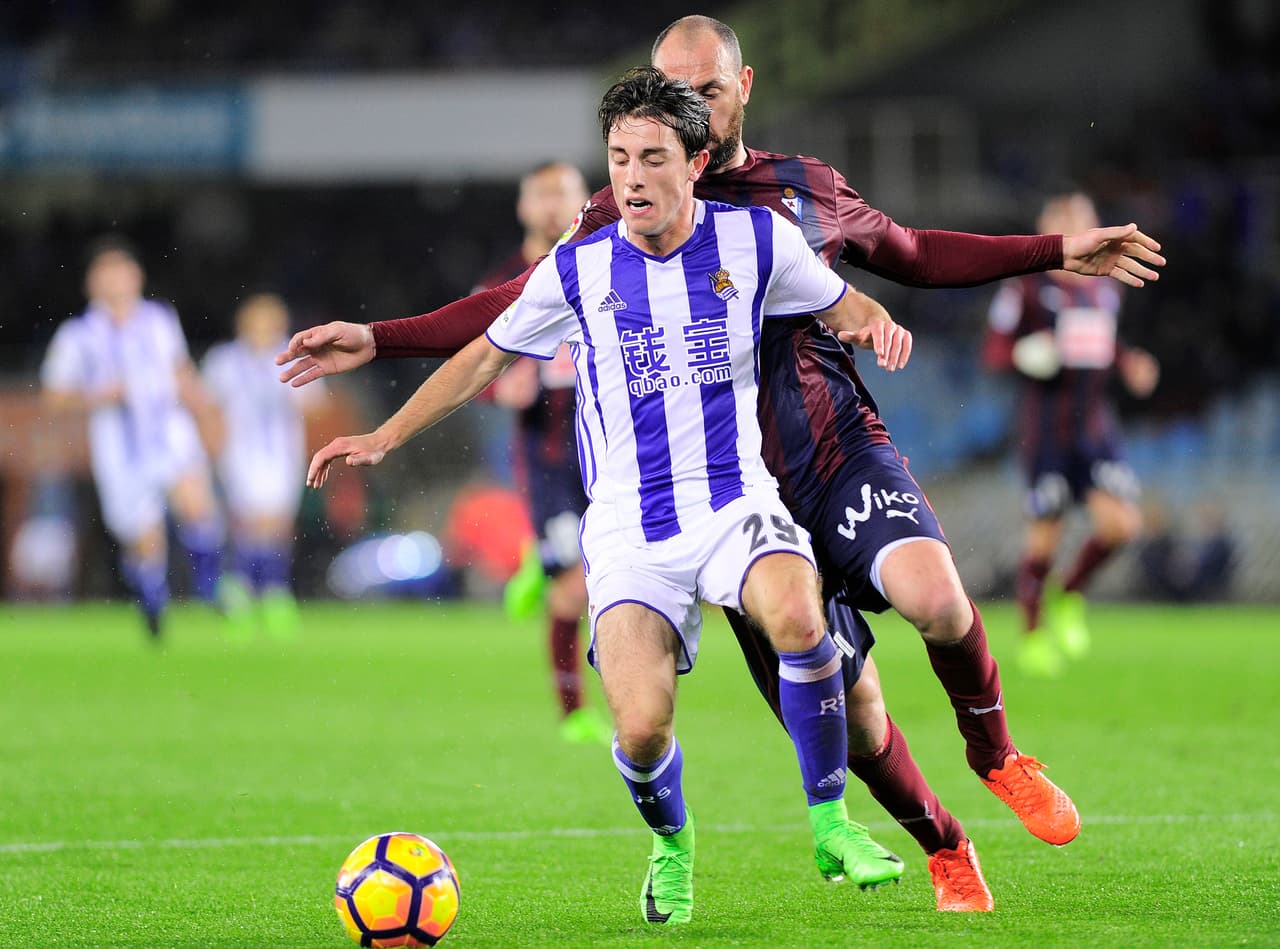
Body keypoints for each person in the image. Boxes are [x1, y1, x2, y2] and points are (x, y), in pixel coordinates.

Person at [277, 16, 1164, 908]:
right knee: (850, 716)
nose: (683, 105)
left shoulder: (795, 200)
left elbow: (913, 255)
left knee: (935, 595)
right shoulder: (611, 217)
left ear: (742, 90)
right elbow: (506, 314)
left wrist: (1043, 254)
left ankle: (996, 752)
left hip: (823, 457)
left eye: (702, 89)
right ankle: (942, 842)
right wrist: (383, 341)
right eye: (666, 90)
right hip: (703, 492)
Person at [306, 67, 913, 925]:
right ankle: (672, 843)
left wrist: (876, 322)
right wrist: (383, 435)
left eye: (652, 157)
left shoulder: (758, 242)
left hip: (735, 497)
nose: (631, 176)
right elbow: (483, 354)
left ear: (697, 162)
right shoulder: (577, 267)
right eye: (619, 157)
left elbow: (844, 302)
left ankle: (830, 821)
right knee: (638, 728)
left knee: (800, 617)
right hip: (629, 528)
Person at [985, 189, 1160, 677]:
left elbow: (1103, 342)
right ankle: (1034, 634)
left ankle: (1070, 592)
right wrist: (1025, 353)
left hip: (1096, 427)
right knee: (1045, 538)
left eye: (1086, 218)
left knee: (1122, 526)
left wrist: (1130, 362)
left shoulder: (1106, 285)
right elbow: (994, 351)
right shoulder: (1023, 287)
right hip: (1046, 432)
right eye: (1068, 221)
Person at [476, 161, 612, 745]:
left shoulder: (611, 258)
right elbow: (473, 367)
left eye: (566, 193)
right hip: (550, 455)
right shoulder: (502, 282)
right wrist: (500, 387)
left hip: (617, 447)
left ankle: (543, 556)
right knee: (574, 588)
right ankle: (573, 712)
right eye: (543, 195)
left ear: (585, 200)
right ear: (524, 208)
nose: (555, 205)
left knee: (620, 579)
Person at [40, 235, 229, 638]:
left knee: (197, 505)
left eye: (122, 270)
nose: (116, 280)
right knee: (144, 540)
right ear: (91, 283)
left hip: (168, 431)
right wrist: (99, 394)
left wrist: (206, 413)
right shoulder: (78, 335)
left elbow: (180, 372)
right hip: (119, 449)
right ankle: (153, 602)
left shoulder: (160, 319)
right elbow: (54, 398)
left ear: (136, 276)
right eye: (106, 273)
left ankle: (209, 589)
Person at [202, 293, 326, 639]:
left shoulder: (293, 357)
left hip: (281, 452)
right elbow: (208, 407)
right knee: (251, 523)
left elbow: (314, 405)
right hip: (241, 453)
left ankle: (263, 591)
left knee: (278, 524)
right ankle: (252, 592)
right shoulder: (224, 360)